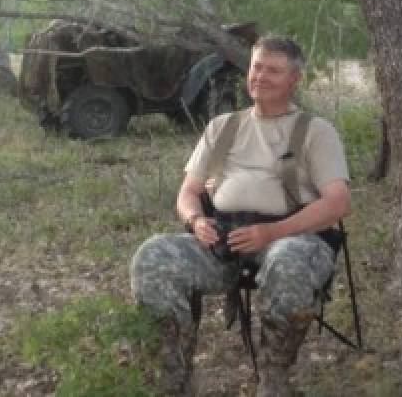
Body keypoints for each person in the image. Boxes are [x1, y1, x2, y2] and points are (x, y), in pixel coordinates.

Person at [130, 35, 351, 396]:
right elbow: (188, 192)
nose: (260, 77)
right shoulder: (222, 127)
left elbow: (338, 203)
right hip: (224, 239)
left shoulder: (315, 130)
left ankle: (273, 379)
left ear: (294, 79)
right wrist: (196, 221)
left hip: (292, 237)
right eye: (256, 67)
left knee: (288, 261)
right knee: (152, 255)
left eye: (274, 71)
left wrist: (272, 232)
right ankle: (175, 380)